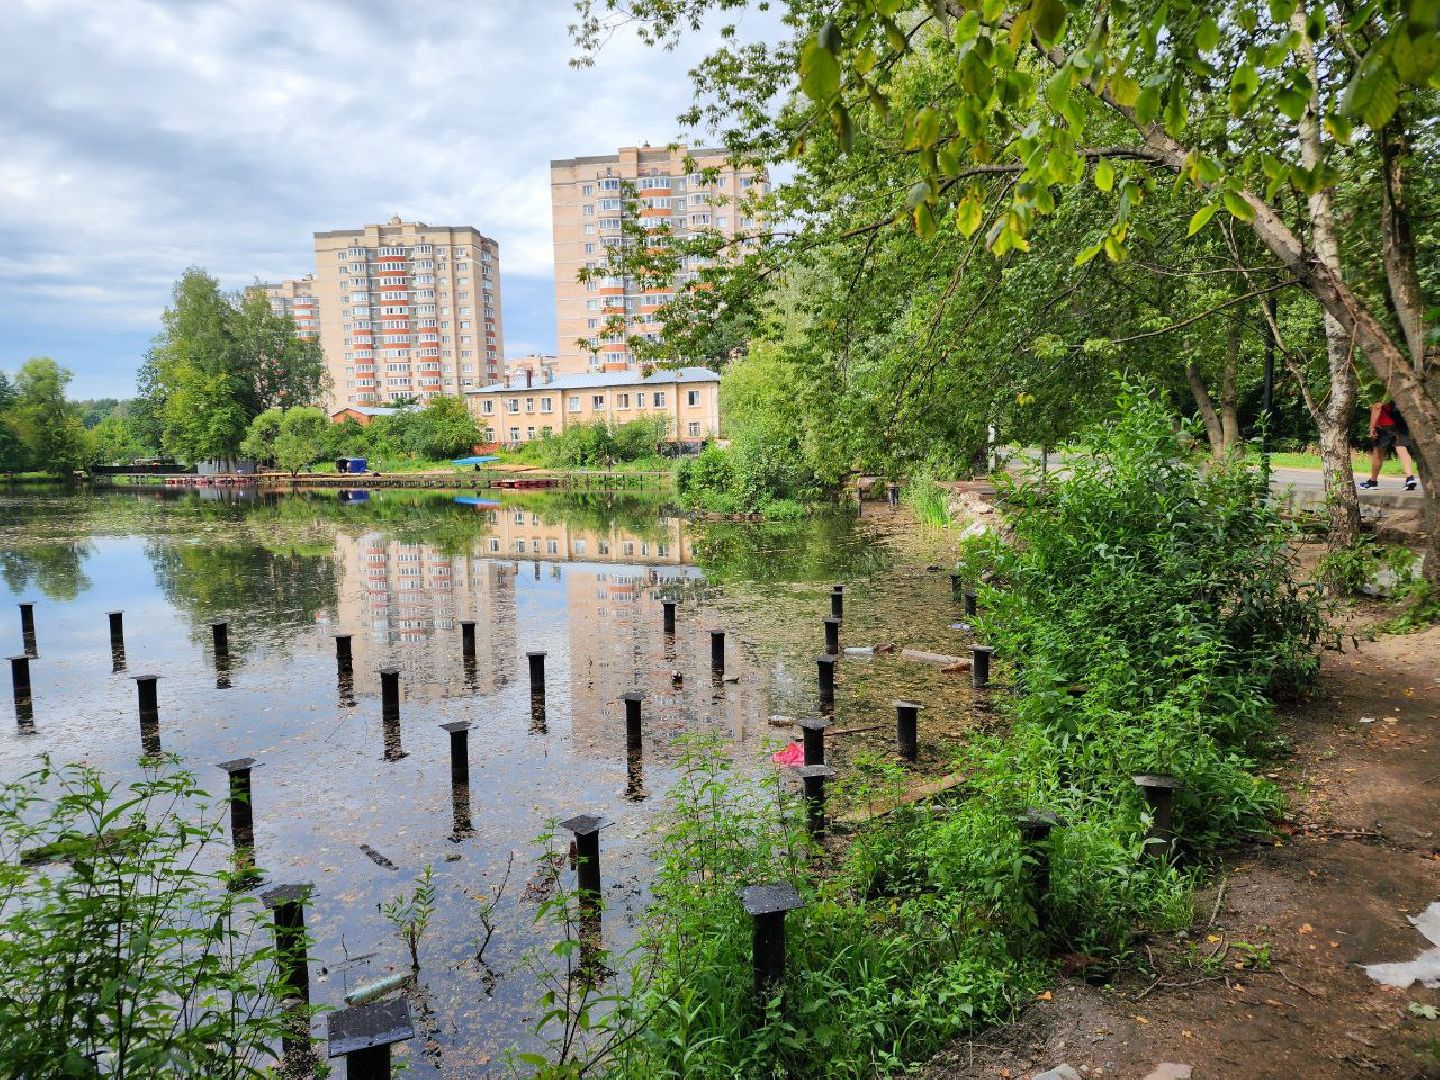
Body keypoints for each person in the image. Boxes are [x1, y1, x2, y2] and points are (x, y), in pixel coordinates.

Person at [1361, 396, 1418, 491]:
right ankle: (1410, 477)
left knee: (1378, 452)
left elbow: (1377, 407)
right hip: (1401, 422)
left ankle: (1373, 482)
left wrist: (1372, 426)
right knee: (1401, 447)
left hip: (1384, 424)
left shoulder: (1380, 387)